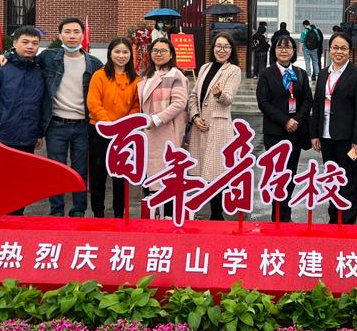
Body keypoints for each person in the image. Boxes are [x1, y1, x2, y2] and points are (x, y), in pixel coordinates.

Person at [0, 17, 103, 217]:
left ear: (83, 35)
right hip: (56, 125)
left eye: (76, 32)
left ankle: (78, 210)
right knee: (56, 169)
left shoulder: (94, 63)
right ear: (60, 35)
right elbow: (24, 59)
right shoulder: (48, 57)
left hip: (82, 125)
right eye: (67, 32)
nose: (72, 36)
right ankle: (57, 210)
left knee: (80, 169)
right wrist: (5, 56)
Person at [0, 26, 44, 215]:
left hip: (28, 137)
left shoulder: (39, 71)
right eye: (25, 42)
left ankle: (16, 220)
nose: (30, 46)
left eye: (35, 43)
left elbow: (40, 105)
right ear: (14, 44)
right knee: (0, 181)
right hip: (2, 135)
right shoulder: (0, 69)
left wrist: (39, 132)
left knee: (21, 182)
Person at [309, 31, 357, 224]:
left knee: (348, 180)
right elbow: (317, 104)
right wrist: (314, 134)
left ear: (349, 51)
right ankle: (334, 220)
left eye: (343, 48)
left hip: (347, 138)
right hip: (326, 136)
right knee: (332, 179)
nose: (339, 52)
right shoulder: (324, 73)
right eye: (335, 47)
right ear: (330, 49)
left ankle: (347, 222)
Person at [257, 34, 313, 222]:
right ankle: (277, 216)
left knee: (290, 173)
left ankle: (285, 214)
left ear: (293, 51)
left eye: (288, 47)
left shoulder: (300, 73)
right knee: (276, 174)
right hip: (274, 132)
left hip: (295, 132)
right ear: (274, 51)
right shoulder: (266, 74)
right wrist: (285, 121)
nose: (284, 50)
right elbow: (263, 103)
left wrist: (296, 120)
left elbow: (307, 100)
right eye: (280, 47)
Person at [188, 33, 242, 220]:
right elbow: (193, 96)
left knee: (217, 171)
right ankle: (202, 211)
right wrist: (194, 116)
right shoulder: (204, 68)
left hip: (219, 126)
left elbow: (228, 99)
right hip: (200, 125)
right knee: (202, 170)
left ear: (231, 50)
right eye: (218, 46)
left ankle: (217, 215)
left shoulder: (233, 70)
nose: (222, 50)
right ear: (213, 48)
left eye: (226, 47)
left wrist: (219, 95)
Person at [85, 37, 140, 218]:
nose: (121, 56)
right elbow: (93, 103)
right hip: (99, 130)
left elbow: (136, 105)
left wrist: (122, 126)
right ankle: (98, 213)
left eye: (125, 52)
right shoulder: (99, 75)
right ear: (110, 53)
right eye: (117, 52)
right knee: (98, 173)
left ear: (130, 54)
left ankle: (119, 214)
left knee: (120, 176)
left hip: (124, 134)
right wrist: (109, 124)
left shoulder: (136, 79)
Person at [138, 36, 189, 218]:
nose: (158, 54)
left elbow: (179, 103)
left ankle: (168, 218)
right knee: (149, 176)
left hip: (166, 132)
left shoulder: (175, 75)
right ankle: (153, 218)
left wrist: (157, 119)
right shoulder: (147, 75)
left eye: (163, 51)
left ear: (171, 54)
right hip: (148, 134)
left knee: (167, 176)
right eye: (155, 50)